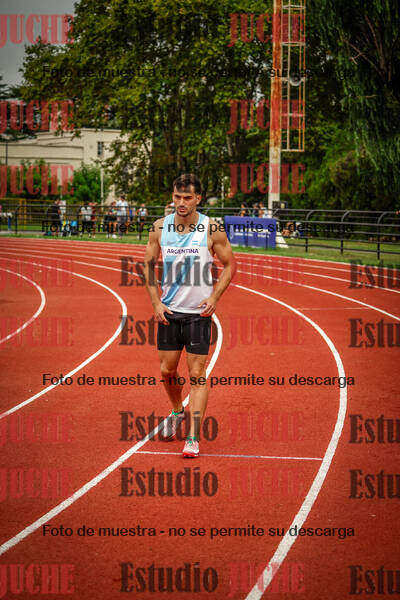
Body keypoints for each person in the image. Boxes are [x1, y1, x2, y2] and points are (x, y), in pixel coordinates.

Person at [143, 173, 236, 458]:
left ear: (198, 198)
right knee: (167, 371)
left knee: (197, 375)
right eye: (177, 197)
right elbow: (148, 265)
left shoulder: (212, 228)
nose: (181, 202)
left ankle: (193, 437)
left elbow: (230, 264)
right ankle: (176, 411)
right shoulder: (159, 227)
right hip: (169, 312)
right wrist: (156, 303)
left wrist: (214, 297)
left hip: (198, 314)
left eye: (187, 197)